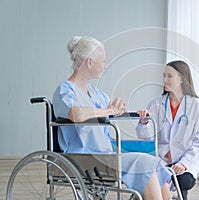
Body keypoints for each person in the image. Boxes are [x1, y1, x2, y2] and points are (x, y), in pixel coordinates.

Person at [52, 36, 172, 200]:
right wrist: (108, 110)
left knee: (153, 163)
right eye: (102, 61)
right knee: (145, 163)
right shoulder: (65, 90)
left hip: (106, 154)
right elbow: (76, 114)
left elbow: (111, 109)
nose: (104, 66)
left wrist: (120, 109)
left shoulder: (95, 92)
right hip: (84, 158)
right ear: (89, 62)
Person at [136, 60, 199, 200]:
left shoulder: (197, 107)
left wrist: (184, 163)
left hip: (184, 161)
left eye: (169, 76)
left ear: (182, 79)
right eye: (164, 76)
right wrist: (144, 122)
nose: (164, 80)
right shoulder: (156, 104)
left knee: (183, 180)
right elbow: (146, 138)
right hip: (161, 159)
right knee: (149, 180)